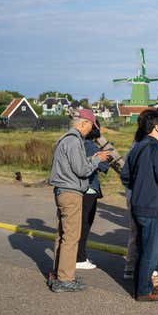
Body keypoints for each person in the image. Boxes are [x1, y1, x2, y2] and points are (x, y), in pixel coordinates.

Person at [48, 109, 110, 292]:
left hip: (61, 190)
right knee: (71, 237)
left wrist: (91, 159)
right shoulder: (74, 141)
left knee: (62, 234)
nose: (90, 130)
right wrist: (97, 159)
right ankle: (65, 279)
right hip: (71, 192)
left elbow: (73, 165)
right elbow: (82, 170)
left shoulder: (64, 139)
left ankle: (58, 273)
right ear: (84, 123)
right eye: (91, 126)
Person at [120, 110, 158, 301]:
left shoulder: (137, 146)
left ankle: (142, 285)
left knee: (141, 247)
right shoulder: (157, 149)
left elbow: (125, 175)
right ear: (157, 127)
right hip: (152, 204)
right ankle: (143, 290)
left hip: (137, 202)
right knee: (150, 251)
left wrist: (139, 186)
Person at [77, 120, 110, 270]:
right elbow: (104, 166)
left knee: (78, 224)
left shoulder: (77, 143)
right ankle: (80, 257)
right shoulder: (91, 146)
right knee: (85, 224)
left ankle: (77, 255)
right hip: (89, 189)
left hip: (78, 188)